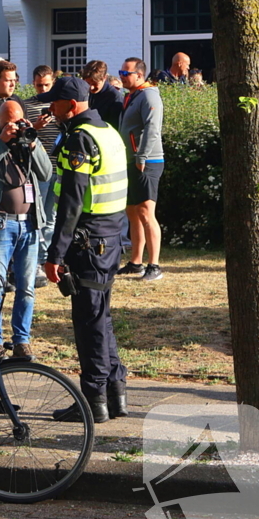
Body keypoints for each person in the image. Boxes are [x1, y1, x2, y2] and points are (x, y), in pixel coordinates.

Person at [39, 77, 129, 424]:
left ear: (72, 105)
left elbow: (71, 202)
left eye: (56, 102)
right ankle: (115, 395)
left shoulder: (80, 138)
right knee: (101, 317)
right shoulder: (108, 132)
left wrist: (55, 254)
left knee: (88, 322)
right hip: (110, 237)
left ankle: (93, 401)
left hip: (87, 240)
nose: (51, 107)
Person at [0, 100, 52, 359]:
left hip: (30, 223)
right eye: (8, 123)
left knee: (26, 286)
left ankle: (21, 341)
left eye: (17, 122)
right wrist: (1, 142)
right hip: (0, 223)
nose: (14, 127)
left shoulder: (28, 138)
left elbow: (46, 173)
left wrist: (33, 143)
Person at [117, 58, 165, 282]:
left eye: (126, 73)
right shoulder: (132, 95)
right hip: (131, 160)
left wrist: (142, 156)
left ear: (139, 75)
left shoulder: (148, 95)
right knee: (132, 212)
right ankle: (136, 263)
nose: (122, 77)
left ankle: (154, 266)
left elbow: (152, 127)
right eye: (121, 73)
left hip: (147, 161)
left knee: (146, 212)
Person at [24, 66, 62, 286]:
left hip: (58, 168)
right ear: (33, 84)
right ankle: (38, 259)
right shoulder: (27, 105)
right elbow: (24, 136)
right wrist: (36, 127)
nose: (43, 89)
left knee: (51, 216)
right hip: (38, 169)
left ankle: (47, 257)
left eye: (47, 85)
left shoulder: (59, 104)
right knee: (38, 215)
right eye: (39, 85)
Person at [82, 60, 124, 129]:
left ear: (105, 78)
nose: (91, 87)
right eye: (88, 83)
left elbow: (115, 127)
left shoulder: (114, 98)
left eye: (95, 83)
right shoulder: (86, 92)